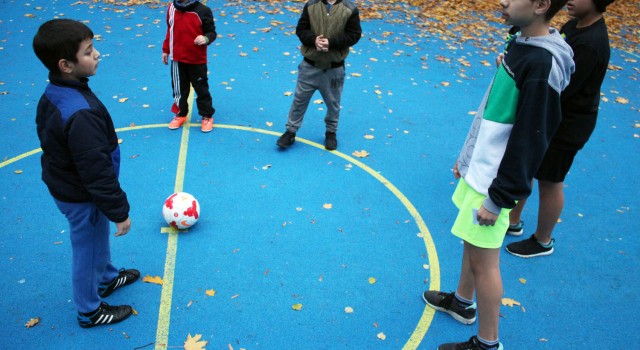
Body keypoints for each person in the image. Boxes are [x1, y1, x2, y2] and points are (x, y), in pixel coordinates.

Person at [422, 0, 574, 348]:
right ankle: (462, 302)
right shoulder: (522, 43)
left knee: (484, 260)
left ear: (540, 5)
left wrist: (500, 197)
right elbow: (503, 106)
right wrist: (469, 156)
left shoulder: (541, 62)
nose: (503, 1)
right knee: (471, 245)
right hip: (483, 167)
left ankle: (488, 342)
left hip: (495, 179)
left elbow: (530, 140)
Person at [33, 19, 140, 328]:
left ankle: (106, 277)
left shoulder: (57, 90)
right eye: (89, 51)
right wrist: (118, 210)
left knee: (96, 237)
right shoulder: (79, 112)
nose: (97, 55)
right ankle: (89, 310)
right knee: (87, 245)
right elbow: (94, 169)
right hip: (81, 194)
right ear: (66, 64)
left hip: (70, 184)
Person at [505, 0, 615, 258]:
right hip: (554, 114)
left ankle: (543, 240)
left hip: (568, 124)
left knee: (551, 180)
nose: (570, 0)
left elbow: (561, 87)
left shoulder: (592, 43)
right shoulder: (574, 25)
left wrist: (527, 82)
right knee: (529, 165)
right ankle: (512, 221)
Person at [276, 0, 362, 151]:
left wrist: (331, 43)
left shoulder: (350, 9)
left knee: (333, 104)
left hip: (334, 70)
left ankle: (331, 132)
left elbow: (354, 35)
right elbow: (301, 30)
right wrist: (313, 40)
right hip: (309, 66)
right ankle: (290, 131)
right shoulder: (311, 5)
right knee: (299, 101)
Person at [162, 0, 217, 133]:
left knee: (201, 88)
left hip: (196, 60)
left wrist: (205, 39)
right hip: (177, 59)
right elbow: (170, 30)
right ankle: (181, 114)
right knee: (179, 90)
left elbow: (211, 32)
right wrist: (165, 49)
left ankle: (207, 116)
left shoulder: (203, 11)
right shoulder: (171, 9)